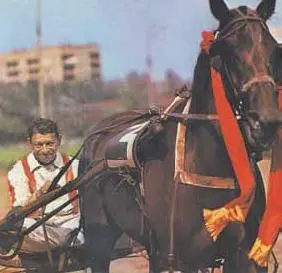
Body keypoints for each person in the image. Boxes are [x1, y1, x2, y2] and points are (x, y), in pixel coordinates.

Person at [6, 118, 82, 253]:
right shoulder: (19, 170)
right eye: (38, 145)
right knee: (17, 226)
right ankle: (64, 242)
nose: (45, 150)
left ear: (59, 140)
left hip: (71, 223)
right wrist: (39, 194)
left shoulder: (75, 165)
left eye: (49, 144)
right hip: (37, 227)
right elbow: (21, 212)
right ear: (29, 143)